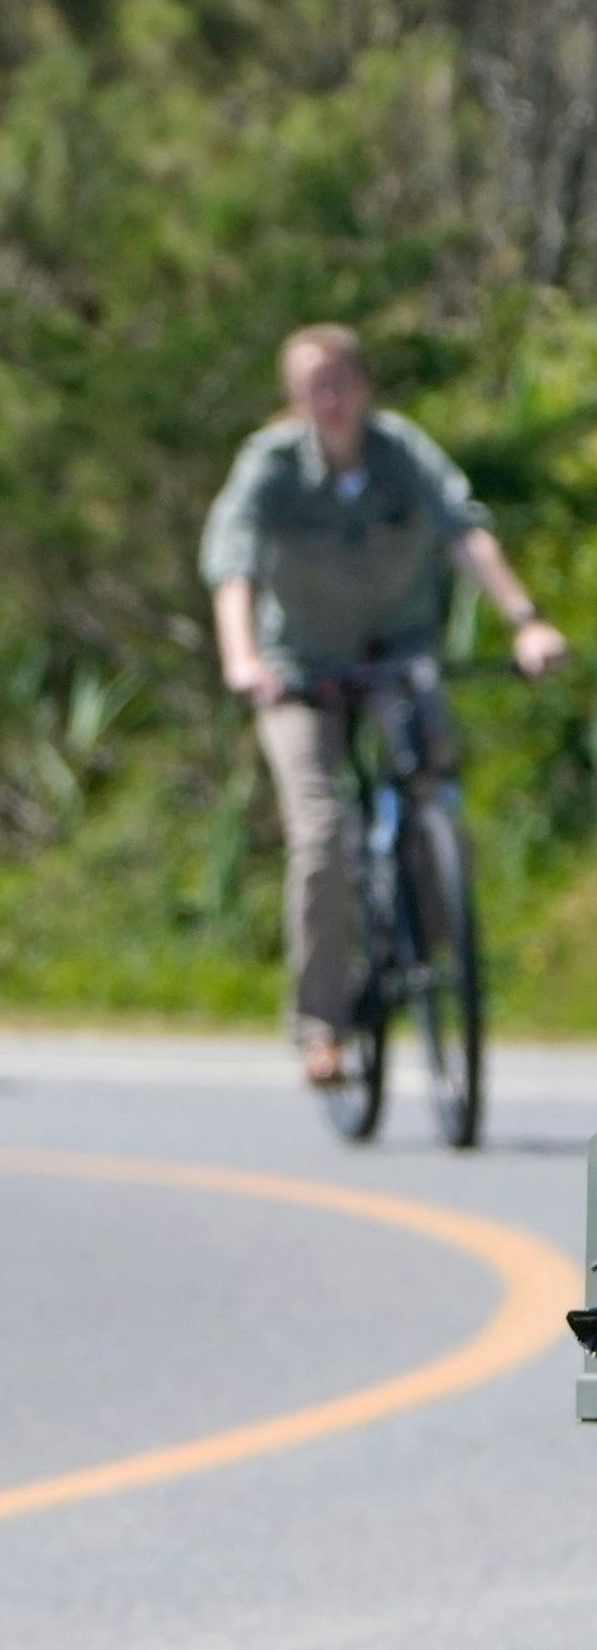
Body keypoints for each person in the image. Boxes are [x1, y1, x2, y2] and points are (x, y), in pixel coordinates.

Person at [204, 324, 570, 1085]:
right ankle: (321, 1027)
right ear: (293, 397)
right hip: (296, 668)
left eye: (340, 382)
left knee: (436, 795)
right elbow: (231, 561)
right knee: (322, 834)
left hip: (397, 656)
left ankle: (433, 956)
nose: (329, 399)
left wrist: (524, 619)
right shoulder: (269, 465)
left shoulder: (401, 452)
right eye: (313, 387)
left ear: (364, 386)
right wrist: (241, 658)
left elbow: (464, 533)